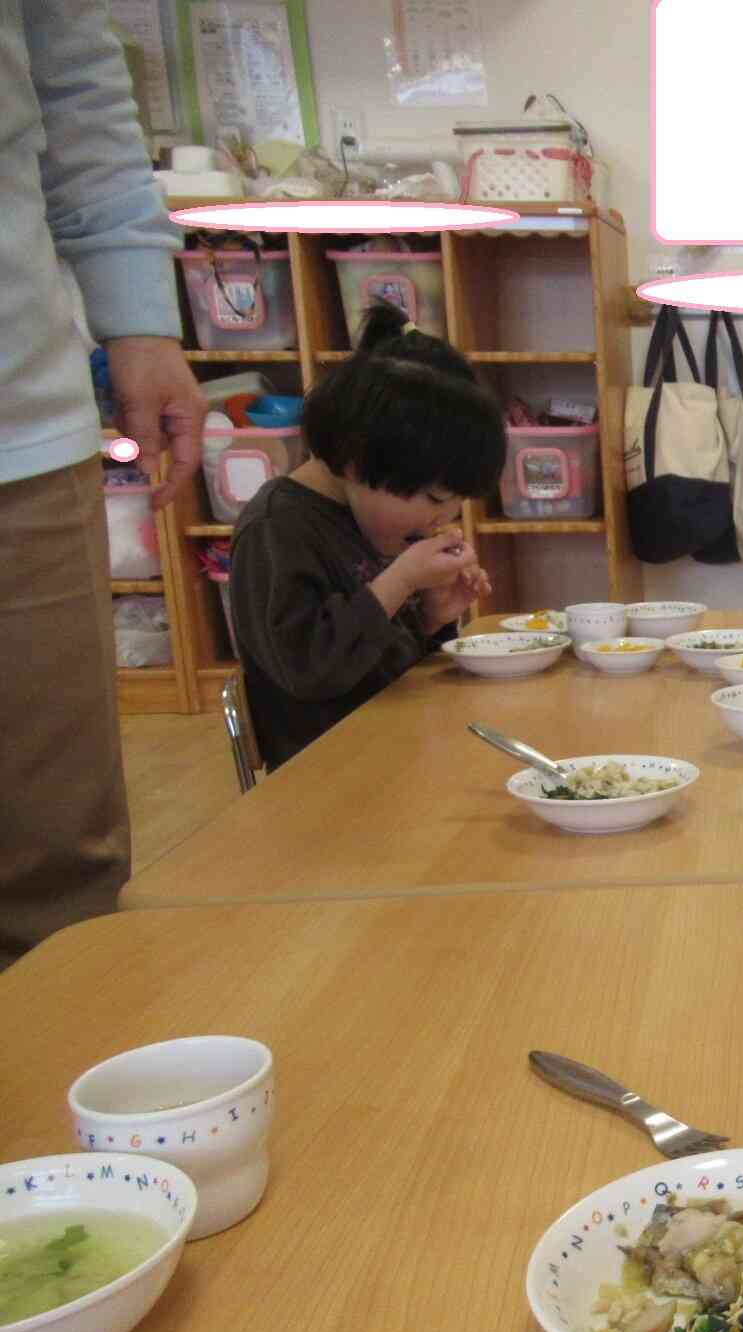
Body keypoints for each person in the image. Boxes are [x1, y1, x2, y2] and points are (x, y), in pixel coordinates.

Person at [0, 1, 207, 969]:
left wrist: (139, 317)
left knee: (55, 854)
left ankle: (58, 1111)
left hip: (17, 421)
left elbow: (77, 80)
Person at [228, 305, 502, 770]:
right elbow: (310, 670)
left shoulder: (368, 514)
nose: (443, 517)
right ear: (358, 460)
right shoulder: (276, 530)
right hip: (330, 773)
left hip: (405, 746)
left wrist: (430, 619)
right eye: (434, 498)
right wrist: (399, 583)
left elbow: (384, 663)